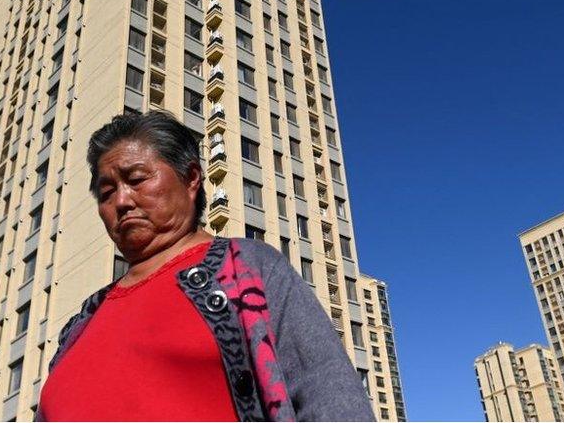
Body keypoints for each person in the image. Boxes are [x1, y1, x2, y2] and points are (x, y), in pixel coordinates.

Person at [36, 111, 373, 421]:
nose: (121, 201)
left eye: (136, 179)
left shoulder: (246, 268)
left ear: (191, 178)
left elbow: (331, 397)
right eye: (107, 192)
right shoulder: (82, 322)